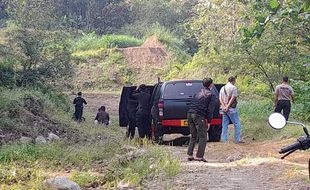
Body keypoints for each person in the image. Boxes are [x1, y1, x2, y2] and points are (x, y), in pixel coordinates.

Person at [187, 78, 216, 162]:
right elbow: (210, 110)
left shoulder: (197, 93)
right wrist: (209, 121)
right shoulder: (211, 95)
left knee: (193, 135)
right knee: (203, 136)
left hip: (190, 114)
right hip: (199, 115)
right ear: (211, 85)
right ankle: (199, 156)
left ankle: (190, 154)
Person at [219, 76, 244, 143]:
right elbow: (233, 98)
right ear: (233, 81)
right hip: (231, 109)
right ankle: (237, 139)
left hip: (224, 109)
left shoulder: (222, 88)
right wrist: (228, 106)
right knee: (237, 123)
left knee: (224, 124)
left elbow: (220, 98)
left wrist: (224, 106)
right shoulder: (233, 88)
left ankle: (224, 139)